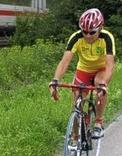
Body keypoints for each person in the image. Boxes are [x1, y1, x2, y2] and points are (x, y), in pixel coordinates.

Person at [49, 8, 116, 139]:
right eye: (84, 32)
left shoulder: (107, 37)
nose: (88, 36)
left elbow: (110, 65)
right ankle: (75, 138)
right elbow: (64, 62)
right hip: (83, 70)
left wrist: (104, 84)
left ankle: (98, 122)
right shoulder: (76, 37)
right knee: (76, 107)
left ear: (100, 27)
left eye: (92, 32)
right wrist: (55, 80)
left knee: (100, 84)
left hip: (100, 70)